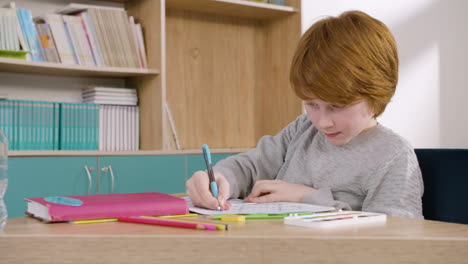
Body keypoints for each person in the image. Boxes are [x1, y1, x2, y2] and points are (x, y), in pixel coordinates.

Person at [186, 10, 424, 219]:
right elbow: (251, 165)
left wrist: (308, 198)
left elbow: (396, 234)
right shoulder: (303, 129)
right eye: (311, 104)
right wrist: (221, 177)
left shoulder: (393, 156)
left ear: (376, 94)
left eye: (337, 106)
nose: (322, 122)